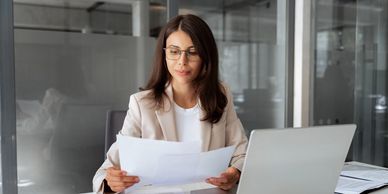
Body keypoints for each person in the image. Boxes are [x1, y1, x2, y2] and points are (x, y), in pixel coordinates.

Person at [93, 14, 248, 193]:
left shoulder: (221, 95)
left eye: (193, 52)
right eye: (174, 51)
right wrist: (111, 181)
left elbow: (242, 154)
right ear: (164, 54)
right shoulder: (141, 104)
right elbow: (105, 172)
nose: (182, 61)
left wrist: (235, 172)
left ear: (206, 56)